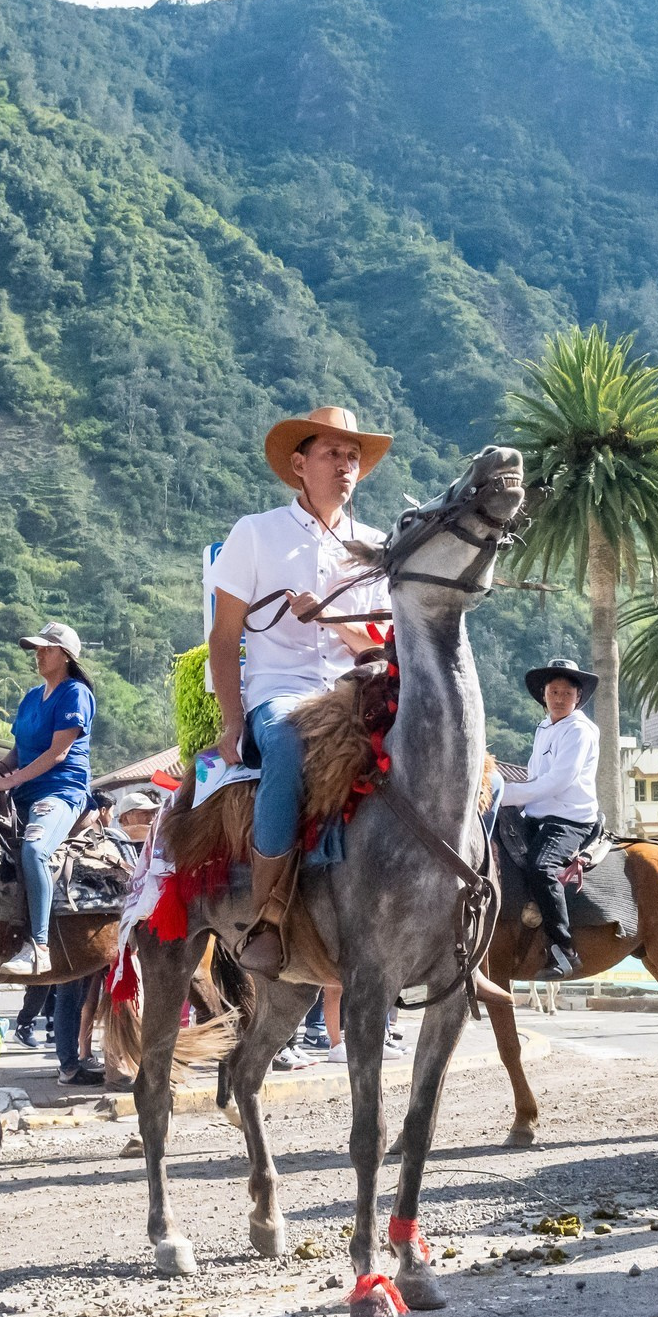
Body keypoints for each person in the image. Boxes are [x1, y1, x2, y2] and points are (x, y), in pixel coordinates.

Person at [207, 405, 394, 976]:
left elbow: (378, 643)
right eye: (332, 453)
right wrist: (233, 720)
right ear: (299, 462)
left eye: (353, 456)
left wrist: (330, 617)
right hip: (279, 690)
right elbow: (225, 635)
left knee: (448, 753)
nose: (345, 465)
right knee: (287, 741)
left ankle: (459, 917)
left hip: (354, 690)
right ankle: (268, 913)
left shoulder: (376, 544)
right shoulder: (255, 533)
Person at [0, 622, 97, 980]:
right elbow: (19, 750)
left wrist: (12, 779)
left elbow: (58, 753)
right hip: (23, 791)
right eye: (36, 648)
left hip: (61, 791)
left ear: (65, 655)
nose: (38, 654)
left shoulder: (75, 693)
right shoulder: (32, 697)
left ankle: (39, 947)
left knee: (34, 850)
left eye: (46, 649)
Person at [498, 658, 604, 981]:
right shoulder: (544, 727)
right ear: (544, 695)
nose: (559, 698)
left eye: (566, 692)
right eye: (553, 691)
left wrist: (505, 794)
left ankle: (565, 948)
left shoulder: (580, 731)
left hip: (569, 820)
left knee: (541, 867)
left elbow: (558, 781)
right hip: (538, 814)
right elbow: (534, 775)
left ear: (578, 697)